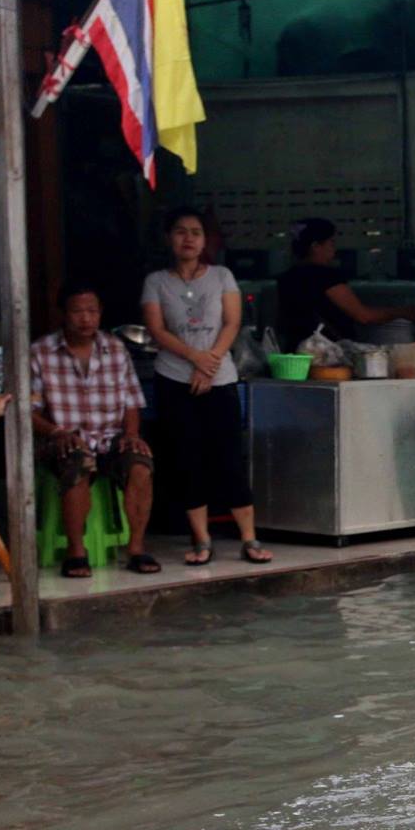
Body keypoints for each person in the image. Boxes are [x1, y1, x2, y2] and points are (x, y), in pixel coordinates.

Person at [141, 206, 271, 565]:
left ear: (205, 240)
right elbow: (156, 329)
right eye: (181, 231)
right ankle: (201, 539)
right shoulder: (156, 281)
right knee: (187, 460)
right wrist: (194, 358)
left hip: (221, 378)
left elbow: (232, 322)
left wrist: (209, 361)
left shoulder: (222, 276)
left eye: (195, 232)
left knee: (228, 457)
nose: (188, 238)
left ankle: (249, 538)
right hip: (174, 379)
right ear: (170, 238)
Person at [29, 282, 157, 578]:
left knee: (140, 465)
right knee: (77, 461)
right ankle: (77, 551)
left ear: (100, 314)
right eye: (77, 311)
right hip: (63, 441)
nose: (85, 319)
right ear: (63, 314)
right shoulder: (40, 352)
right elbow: (29, 411)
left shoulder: (115, 349)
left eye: (92, 311)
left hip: (111, 439)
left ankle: (136, 548)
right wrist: (56, 433)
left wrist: (131, 435)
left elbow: (132, 403)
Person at [276, 217, 415, 349]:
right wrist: (403, 312)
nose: (334, 248)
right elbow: (364, 316)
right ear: (316, 246)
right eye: (331, 242)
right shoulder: (324, 276)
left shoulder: (287, 277)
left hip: (296, 352)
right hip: (326, 353)